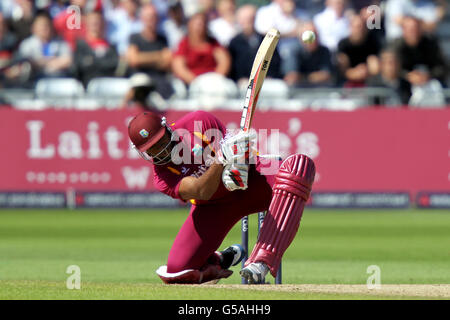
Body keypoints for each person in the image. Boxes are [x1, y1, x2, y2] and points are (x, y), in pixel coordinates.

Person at [127, 111, 315, 284]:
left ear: (167, 128)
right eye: (152, 149)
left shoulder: (198, 122)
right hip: (213, 207)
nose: (161, 151)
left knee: (298, 168)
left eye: (161, 142)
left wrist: (239, 157)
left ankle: (261, 262)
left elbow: (240, 153)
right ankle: (219, 260)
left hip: (253, 181)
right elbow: (202, 191)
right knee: (177, 272)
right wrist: (220, 160)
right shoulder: (162, 178)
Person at [126, 4, 173, 99]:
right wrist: (158, 57)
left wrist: (142, 58)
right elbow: (134, 60)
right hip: (139, 82)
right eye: (148, 17)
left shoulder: (162, 39)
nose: (151, 20)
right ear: (142, 19)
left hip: (160, 81)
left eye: (154, 17)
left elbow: (167, 61)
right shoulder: (134, 37)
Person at [172, 11, 231, 85]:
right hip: (192, 84)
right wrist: (195, 81)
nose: (200, 27)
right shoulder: (184, 43)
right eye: (197, 24)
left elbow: (224, 63)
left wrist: (215, 79)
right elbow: (179, 67)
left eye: (202, 23)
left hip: (214, 82)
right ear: (189, 25)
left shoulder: (214, 43)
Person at [228, 4, 282, 85]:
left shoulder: (266, 40)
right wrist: (239, 78)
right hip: (242, 83)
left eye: (249, 19)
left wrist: (269, 76)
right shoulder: (234, 42)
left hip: (265, 82)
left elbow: (274, 61)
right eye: (243, 19)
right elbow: (233, 65)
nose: (246, 23)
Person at [394, 16, 447, 87]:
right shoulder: (396, 46)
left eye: (416, 29)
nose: (413, 32)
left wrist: (428, 76)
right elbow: (389, 68)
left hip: (430, 85)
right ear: (403, 30)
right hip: (402, 86)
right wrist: (407, 75)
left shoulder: (431, 44)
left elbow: (442, 67)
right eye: (410, 29)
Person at [18, 11, 72, 80]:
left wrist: (43, 62)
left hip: (59, 78)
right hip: (35, 80)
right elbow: (28, 62)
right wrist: (53, 61)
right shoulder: (27, 44)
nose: (44, 28)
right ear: (33, 28)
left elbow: (67, 61)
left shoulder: (60, 42)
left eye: (47, 25)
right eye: (41, 26)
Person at [73, 10, 119, 87]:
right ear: (86, 24)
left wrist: (91, 61)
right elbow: (78, 67)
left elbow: (114, 65)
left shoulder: (111, 47)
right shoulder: (80, 46)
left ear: (103, 24)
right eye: (92, 22)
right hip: (86, 87)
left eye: (97, 22)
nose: (95, 25)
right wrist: (103, 62)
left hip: (108, 85)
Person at [283, 21, 333, 87]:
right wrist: (312, 77)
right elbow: (291, 77)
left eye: (315, 34)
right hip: (297, 92)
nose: (314, 39)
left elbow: (326, 75)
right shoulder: (294, 50)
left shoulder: (324, 50)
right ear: (301, 37)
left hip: (319, 92)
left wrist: (302, 77)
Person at [337, 15, 381, 86]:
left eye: (362, 26)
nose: (360, 29)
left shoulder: (373, 42)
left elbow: (375, 67)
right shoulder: (343, 44)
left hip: (368, 78)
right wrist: (356, 72)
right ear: (350, 27)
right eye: (357, 27)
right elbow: (343, 70)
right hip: (348, 80)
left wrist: (365, 71)